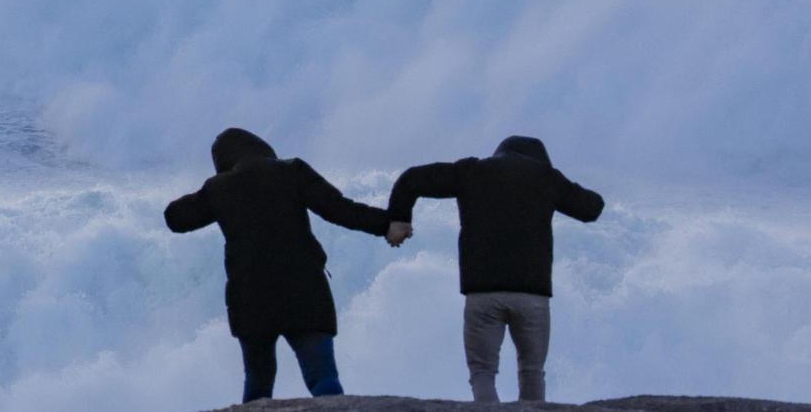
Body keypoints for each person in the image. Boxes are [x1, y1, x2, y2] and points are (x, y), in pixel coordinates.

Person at [165, 127, 406, 404]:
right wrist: (387, 223)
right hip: (305, 290)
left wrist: (214, 189)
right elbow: (340, 209)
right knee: (323, 377)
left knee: (258, 384)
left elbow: (176, 219)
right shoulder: (293, 171)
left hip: (251, 298)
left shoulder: (218, 188)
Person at [386, 135, 604, 403]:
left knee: (482, 372)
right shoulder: (546, 177)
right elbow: (592, 208)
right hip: (532, 296)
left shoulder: (472, 171)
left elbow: (412, 179)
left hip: (482, 294)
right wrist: (557, 182)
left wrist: (400, 219)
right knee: (532, 372)